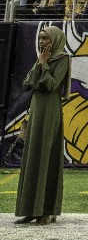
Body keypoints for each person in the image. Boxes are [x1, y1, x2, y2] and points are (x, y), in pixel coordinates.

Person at [15, 26, 71, 225]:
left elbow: (52, 85)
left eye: (46, 38)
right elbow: (27, 84)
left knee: (46, 156)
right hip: (37, 108)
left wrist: (45, 65)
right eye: (40, 38)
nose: (42, 42)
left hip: (50, 110)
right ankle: (30, 209)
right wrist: (40, 64)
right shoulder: (42, 58)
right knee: (33, 156)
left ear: (54, 40)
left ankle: (47, 209)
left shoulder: (62, 59)